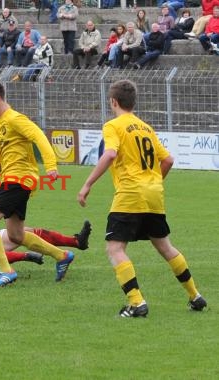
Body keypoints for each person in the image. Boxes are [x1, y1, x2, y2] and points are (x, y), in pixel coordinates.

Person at [77, 79, 207, 317]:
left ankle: (137, 303)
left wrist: (87, 184)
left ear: (113, 102)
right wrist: (154, 182)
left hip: (130, 193)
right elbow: (168, 160)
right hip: (154, 194)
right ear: (133, 102)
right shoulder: (145, 127)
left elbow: (110, 154)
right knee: (165, 247)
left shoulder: (113, 126)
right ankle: (195, 296)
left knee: (115, 248)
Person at [0, 81, 75, 287]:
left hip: (20, 179)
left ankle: (6, 271)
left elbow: (39, 137)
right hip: (11, 179)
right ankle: (62, 255)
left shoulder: (15, 119)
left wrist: (51, 166)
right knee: (16, 234)